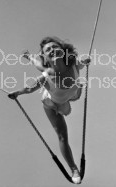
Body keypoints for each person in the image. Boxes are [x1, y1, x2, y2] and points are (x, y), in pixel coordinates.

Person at [8, 36, 90, 184]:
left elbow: (81, 64)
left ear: (63, 51)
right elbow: (29, 88)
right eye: (48, 50)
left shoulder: (74, 65)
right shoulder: (46, 74)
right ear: (45, 57)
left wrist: (85, 61)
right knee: (62, 136)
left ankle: (77, 88)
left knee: (75, 93)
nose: (52, 50)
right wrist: (17, 93)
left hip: (69, 96)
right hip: (52, 104)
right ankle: (73, 169)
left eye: (55, 47)